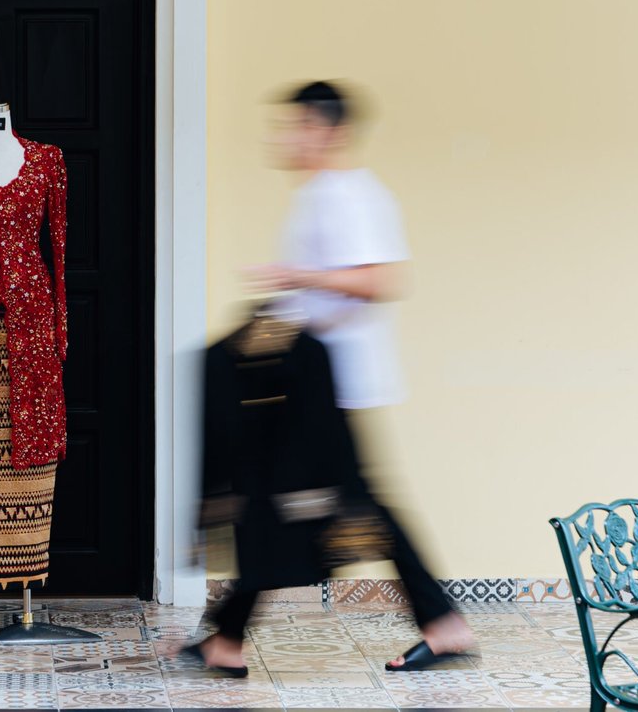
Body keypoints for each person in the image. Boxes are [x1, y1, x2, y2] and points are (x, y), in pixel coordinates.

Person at [185, 80, 475, 676]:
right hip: (310, 386)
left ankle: (231, 639)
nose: (285, 137)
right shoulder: (321, 195)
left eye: (297, 126)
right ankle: (440, 624)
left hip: (334, 384)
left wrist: (296, 275)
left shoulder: (348, 196)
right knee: (312, 504)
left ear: (329, 131)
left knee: (282, 504)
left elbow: (379, 280)